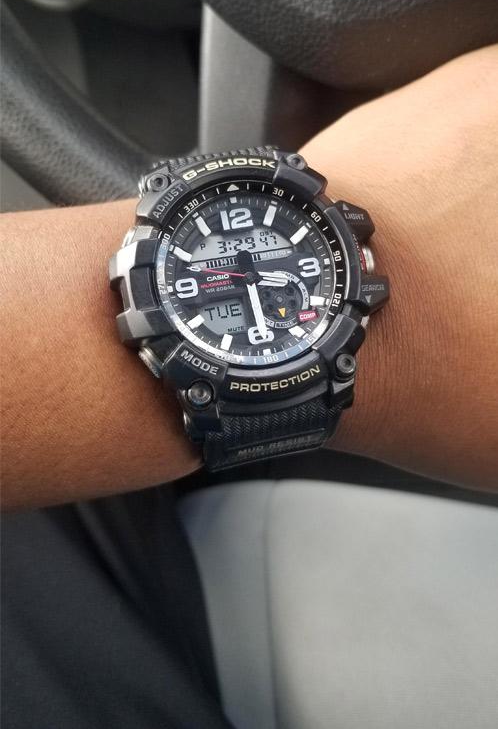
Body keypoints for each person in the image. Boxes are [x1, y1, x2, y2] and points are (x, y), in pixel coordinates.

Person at [1, 45, 497, 727]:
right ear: (135, 297)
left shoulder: (327, 270)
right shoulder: (154, 291)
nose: (251, 279)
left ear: (362, 271)